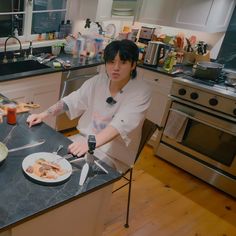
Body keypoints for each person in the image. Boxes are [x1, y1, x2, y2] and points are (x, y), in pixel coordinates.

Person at [27, 39, 151, 173]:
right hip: (84, 140)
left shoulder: (141, 91)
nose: (115, 68)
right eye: (111, 62)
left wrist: (90, 143)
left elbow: (121, 124)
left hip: (113, 153)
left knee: (75, 175)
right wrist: (43, 114)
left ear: (133, 65)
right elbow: (72, 100)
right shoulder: (98, 81)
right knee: (49, 161)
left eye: (123, 62)